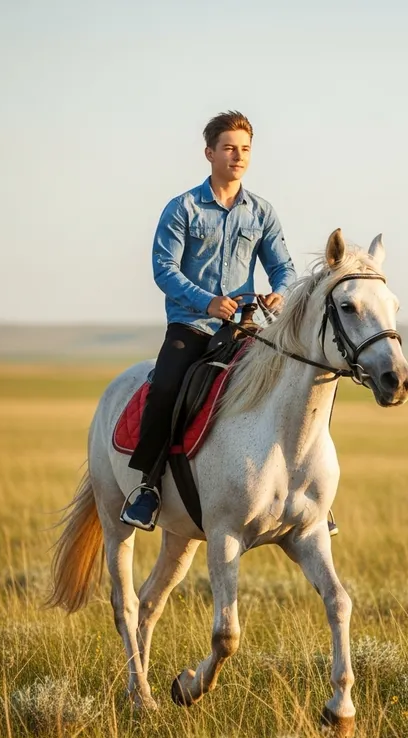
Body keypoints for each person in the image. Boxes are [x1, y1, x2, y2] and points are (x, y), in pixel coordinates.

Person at [121, 110, 296, 531]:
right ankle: (148, 487)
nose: (238, 157)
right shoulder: (181, 208)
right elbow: (164, 268)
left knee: (293, 387)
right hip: (191, 327)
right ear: (209, 153)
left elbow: (284, 267)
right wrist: (208, 302)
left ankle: (305, 494)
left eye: (246, 149)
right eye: (230, 148)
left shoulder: (262, 212)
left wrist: (280, 291)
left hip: (246, 329)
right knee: (165, 388)